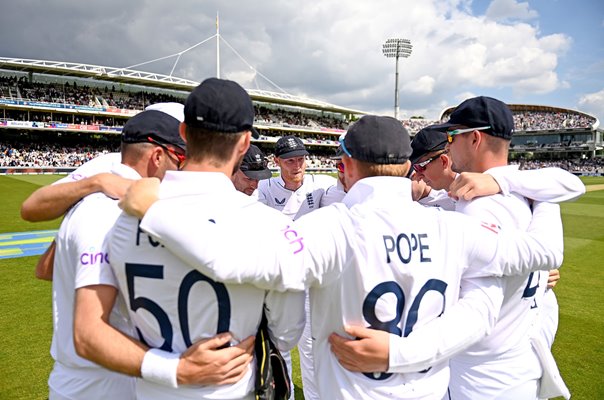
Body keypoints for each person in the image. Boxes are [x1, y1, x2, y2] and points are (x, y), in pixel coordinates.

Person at [121, 114, 563, 399]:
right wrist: (528, 190)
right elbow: (530, 265)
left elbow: (236, 260)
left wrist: (155, 211)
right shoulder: (453, 226)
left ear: (346, 165)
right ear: (409, 167)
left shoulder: (333, 226)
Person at [107, 78, 305, 399]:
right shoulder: (270, 226)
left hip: (151, 390)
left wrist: (170, 366)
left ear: (183, 133)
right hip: (232, 388)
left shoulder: (121, 220)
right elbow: (286, 334)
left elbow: (106, 327)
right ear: (244, 144)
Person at [256, 134, 345, 399]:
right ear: (277, 162)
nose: (297, 166)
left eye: (301, 159)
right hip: (277, 279)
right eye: (290, 161)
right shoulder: (264, 188)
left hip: (309, 278)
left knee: (310, 346)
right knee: (280, 347)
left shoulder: (321, 185)